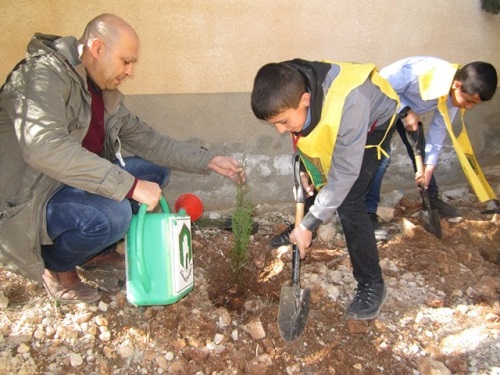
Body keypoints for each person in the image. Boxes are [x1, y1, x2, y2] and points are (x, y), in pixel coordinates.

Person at [0, 14, 244, 304]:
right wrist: (128, 185)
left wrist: (207, 160)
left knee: (153, 172)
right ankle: (56, 267)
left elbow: (150, 141)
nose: (130, 72)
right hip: (33, 199)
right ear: (98, 48)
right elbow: (44, 147)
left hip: (72, 184)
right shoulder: (42, 75)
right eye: (126, 61)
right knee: (115, 215)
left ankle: (93, 249)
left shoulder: (105, 93)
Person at [251, 59, 399, 320]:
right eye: (274, 123)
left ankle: (371, 283)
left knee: (350, 199)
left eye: (283, 122)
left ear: (306, 99)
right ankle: (304, 227)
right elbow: (306, 135)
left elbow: (344, 174)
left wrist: (310, 223)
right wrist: (306, 169)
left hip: (373, 124)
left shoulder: (353, 102)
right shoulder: (286, 83)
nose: (279, 130)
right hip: (333, 117)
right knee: (312, 175)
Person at [365, 57, 498, 228]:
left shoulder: (454, 94)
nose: (469, 107)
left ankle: (431, 199)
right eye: (469, 101)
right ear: (457, 85)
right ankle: (367, 211)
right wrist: (405, 110)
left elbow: (439, 129)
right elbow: (380, 86)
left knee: (422, 153)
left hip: (410, 114)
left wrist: (429, 167)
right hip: (382, 108)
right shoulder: (418, 74)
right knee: (381, 159)